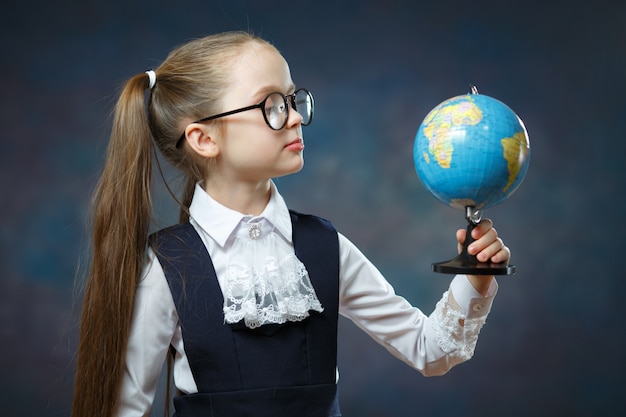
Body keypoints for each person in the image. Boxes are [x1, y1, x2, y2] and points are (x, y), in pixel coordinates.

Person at [72, 31, 509, 417]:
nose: (295, 116)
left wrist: (477, 277)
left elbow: (430, 350)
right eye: (271, 105)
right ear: (204, 139)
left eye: (292, 99)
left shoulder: (325, 246)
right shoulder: (168, 265)